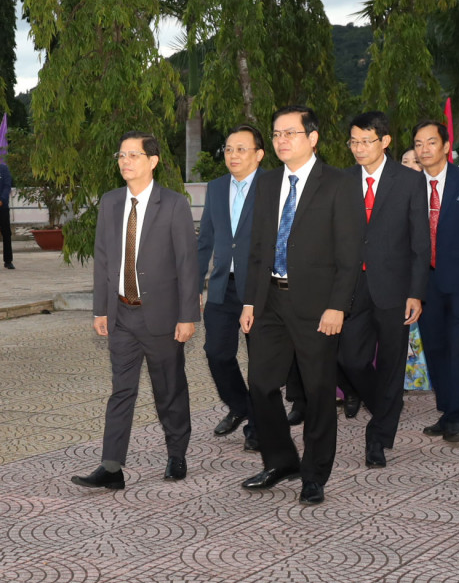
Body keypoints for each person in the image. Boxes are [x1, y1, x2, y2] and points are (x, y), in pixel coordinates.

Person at [238, 106, 363, 504]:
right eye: (276, 134)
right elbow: (258, 249)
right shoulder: (268, 182)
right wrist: (249, 301)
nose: (281, 140)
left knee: (318, 390)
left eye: (289, 133)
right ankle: (281, 460)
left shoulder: (339, 183)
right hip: (270, 299)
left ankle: (315, 473)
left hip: (317, 305)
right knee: (260, 382)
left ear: (312, 138)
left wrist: (337, 306)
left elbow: (350, 253)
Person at [77, 132, 199, 489]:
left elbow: (187, 264)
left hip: (161, 315)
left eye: (133, 155)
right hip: (122, 315)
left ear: (153, 161)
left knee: (169, 388)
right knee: (121, 391)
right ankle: (111, 468)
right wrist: (101, 309)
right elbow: (103, 259)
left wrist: (187, 315)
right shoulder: (111, 202)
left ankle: (177, 454)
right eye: (121, 155)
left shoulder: (174, 204)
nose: (125, 161)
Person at [336, 112, 428, 469]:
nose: (358, 149)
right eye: (353, 141)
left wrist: (416, 292)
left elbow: (420, 242)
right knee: (349, 358)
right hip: (353, 287)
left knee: (391, 364)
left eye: (366, 141)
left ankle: (378, 436)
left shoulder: (408, 181)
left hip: (395, 288)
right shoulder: (342, 181)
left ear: (385, 141)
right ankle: (388, 405)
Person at [410, 122, 459, 442]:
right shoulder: (410, 186)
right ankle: (446, 410)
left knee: (458, 348)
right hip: (423, 284)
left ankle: (456, 417)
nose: (424, 149)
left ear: (446, 146)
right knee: (435, 349)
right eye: (418, 144)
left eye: (431, 142)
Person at [196, 124, 266, 451]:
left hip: (262, 288)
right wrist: (196, 285)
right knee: (217, 353)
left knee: (261, 362)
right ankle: (242, 407)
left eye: (241, 149)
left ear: (259, 154)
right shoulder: (217, 187)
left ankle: (258, 426)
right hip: (223, 286)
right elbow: (205, 240)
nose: (233, 155)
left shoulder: (273, 187)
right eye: (228, 149)